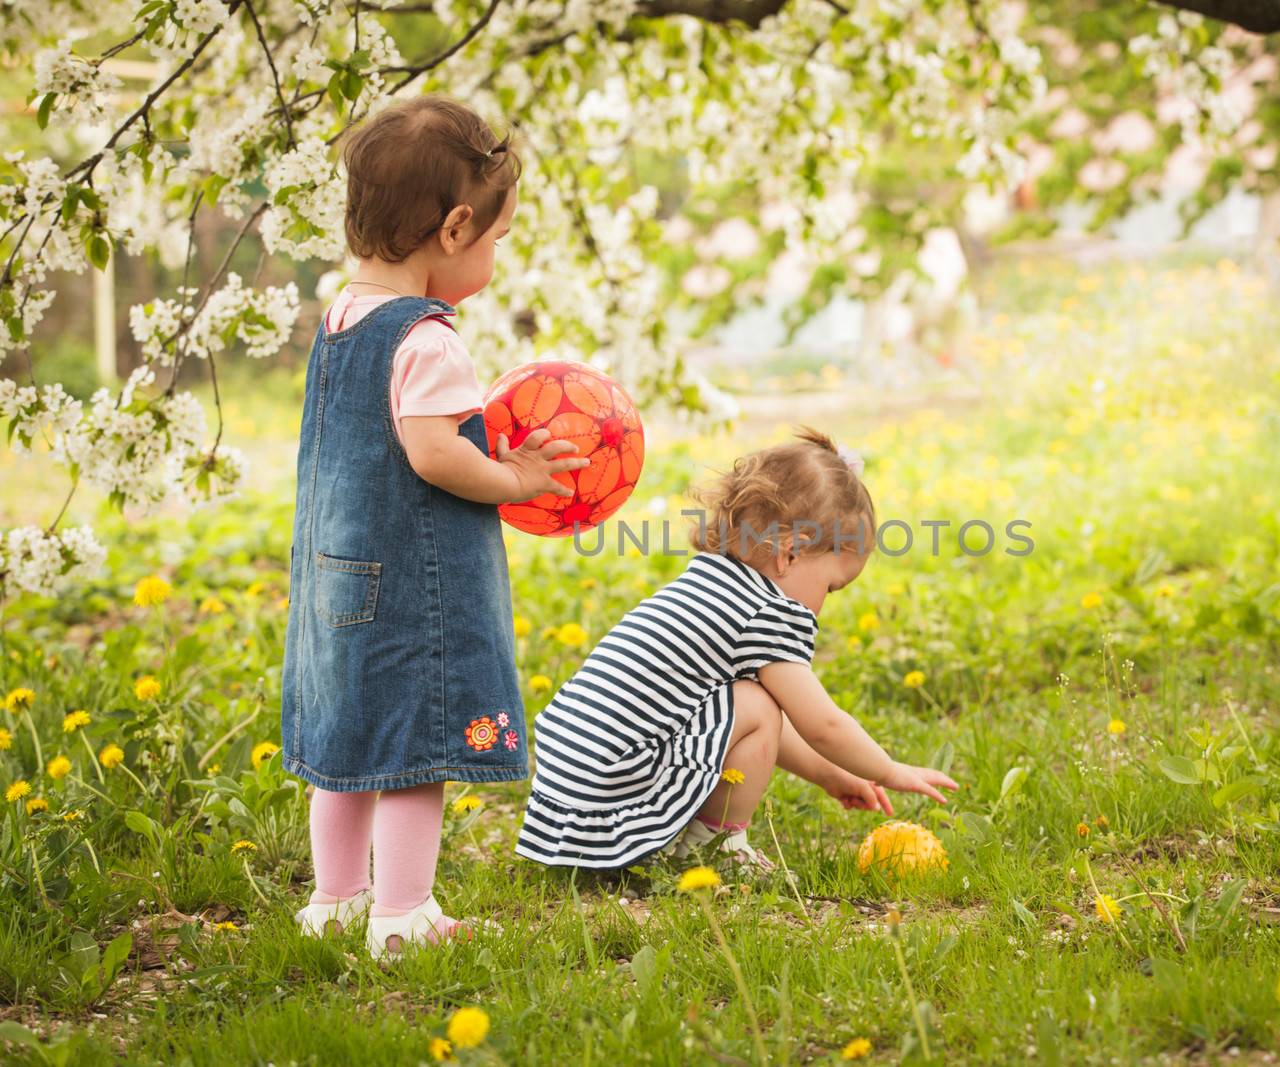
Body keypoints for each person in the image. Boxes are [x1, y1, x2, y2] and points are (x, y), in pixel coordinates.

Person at [280, 96, 588, 958]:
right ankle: (404, 914)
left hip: (338, 577)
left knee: (348, 741)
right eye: (495, 240)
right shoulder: (426, 338)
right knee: (421, 746)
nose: (492, 255)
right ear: (455, 228)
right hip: (410, 592)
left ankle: (337, 898)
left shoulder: (340, 321)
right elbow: (433, 453)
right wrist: (515, 475)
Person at [516, 427, 958, 870]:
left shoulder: (712, 581)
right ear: (790, 554)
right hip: (610, 798)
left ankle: (686, 839)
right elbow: (821, 723)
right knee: (756, 702)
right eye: (831, 585)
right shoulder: (766, 612)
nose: (824, 603)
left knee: (755, 701)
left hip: (569, 804)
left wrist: (832, 774)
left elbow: (739, 721)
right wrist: (887, 769)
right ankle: (712, 847)